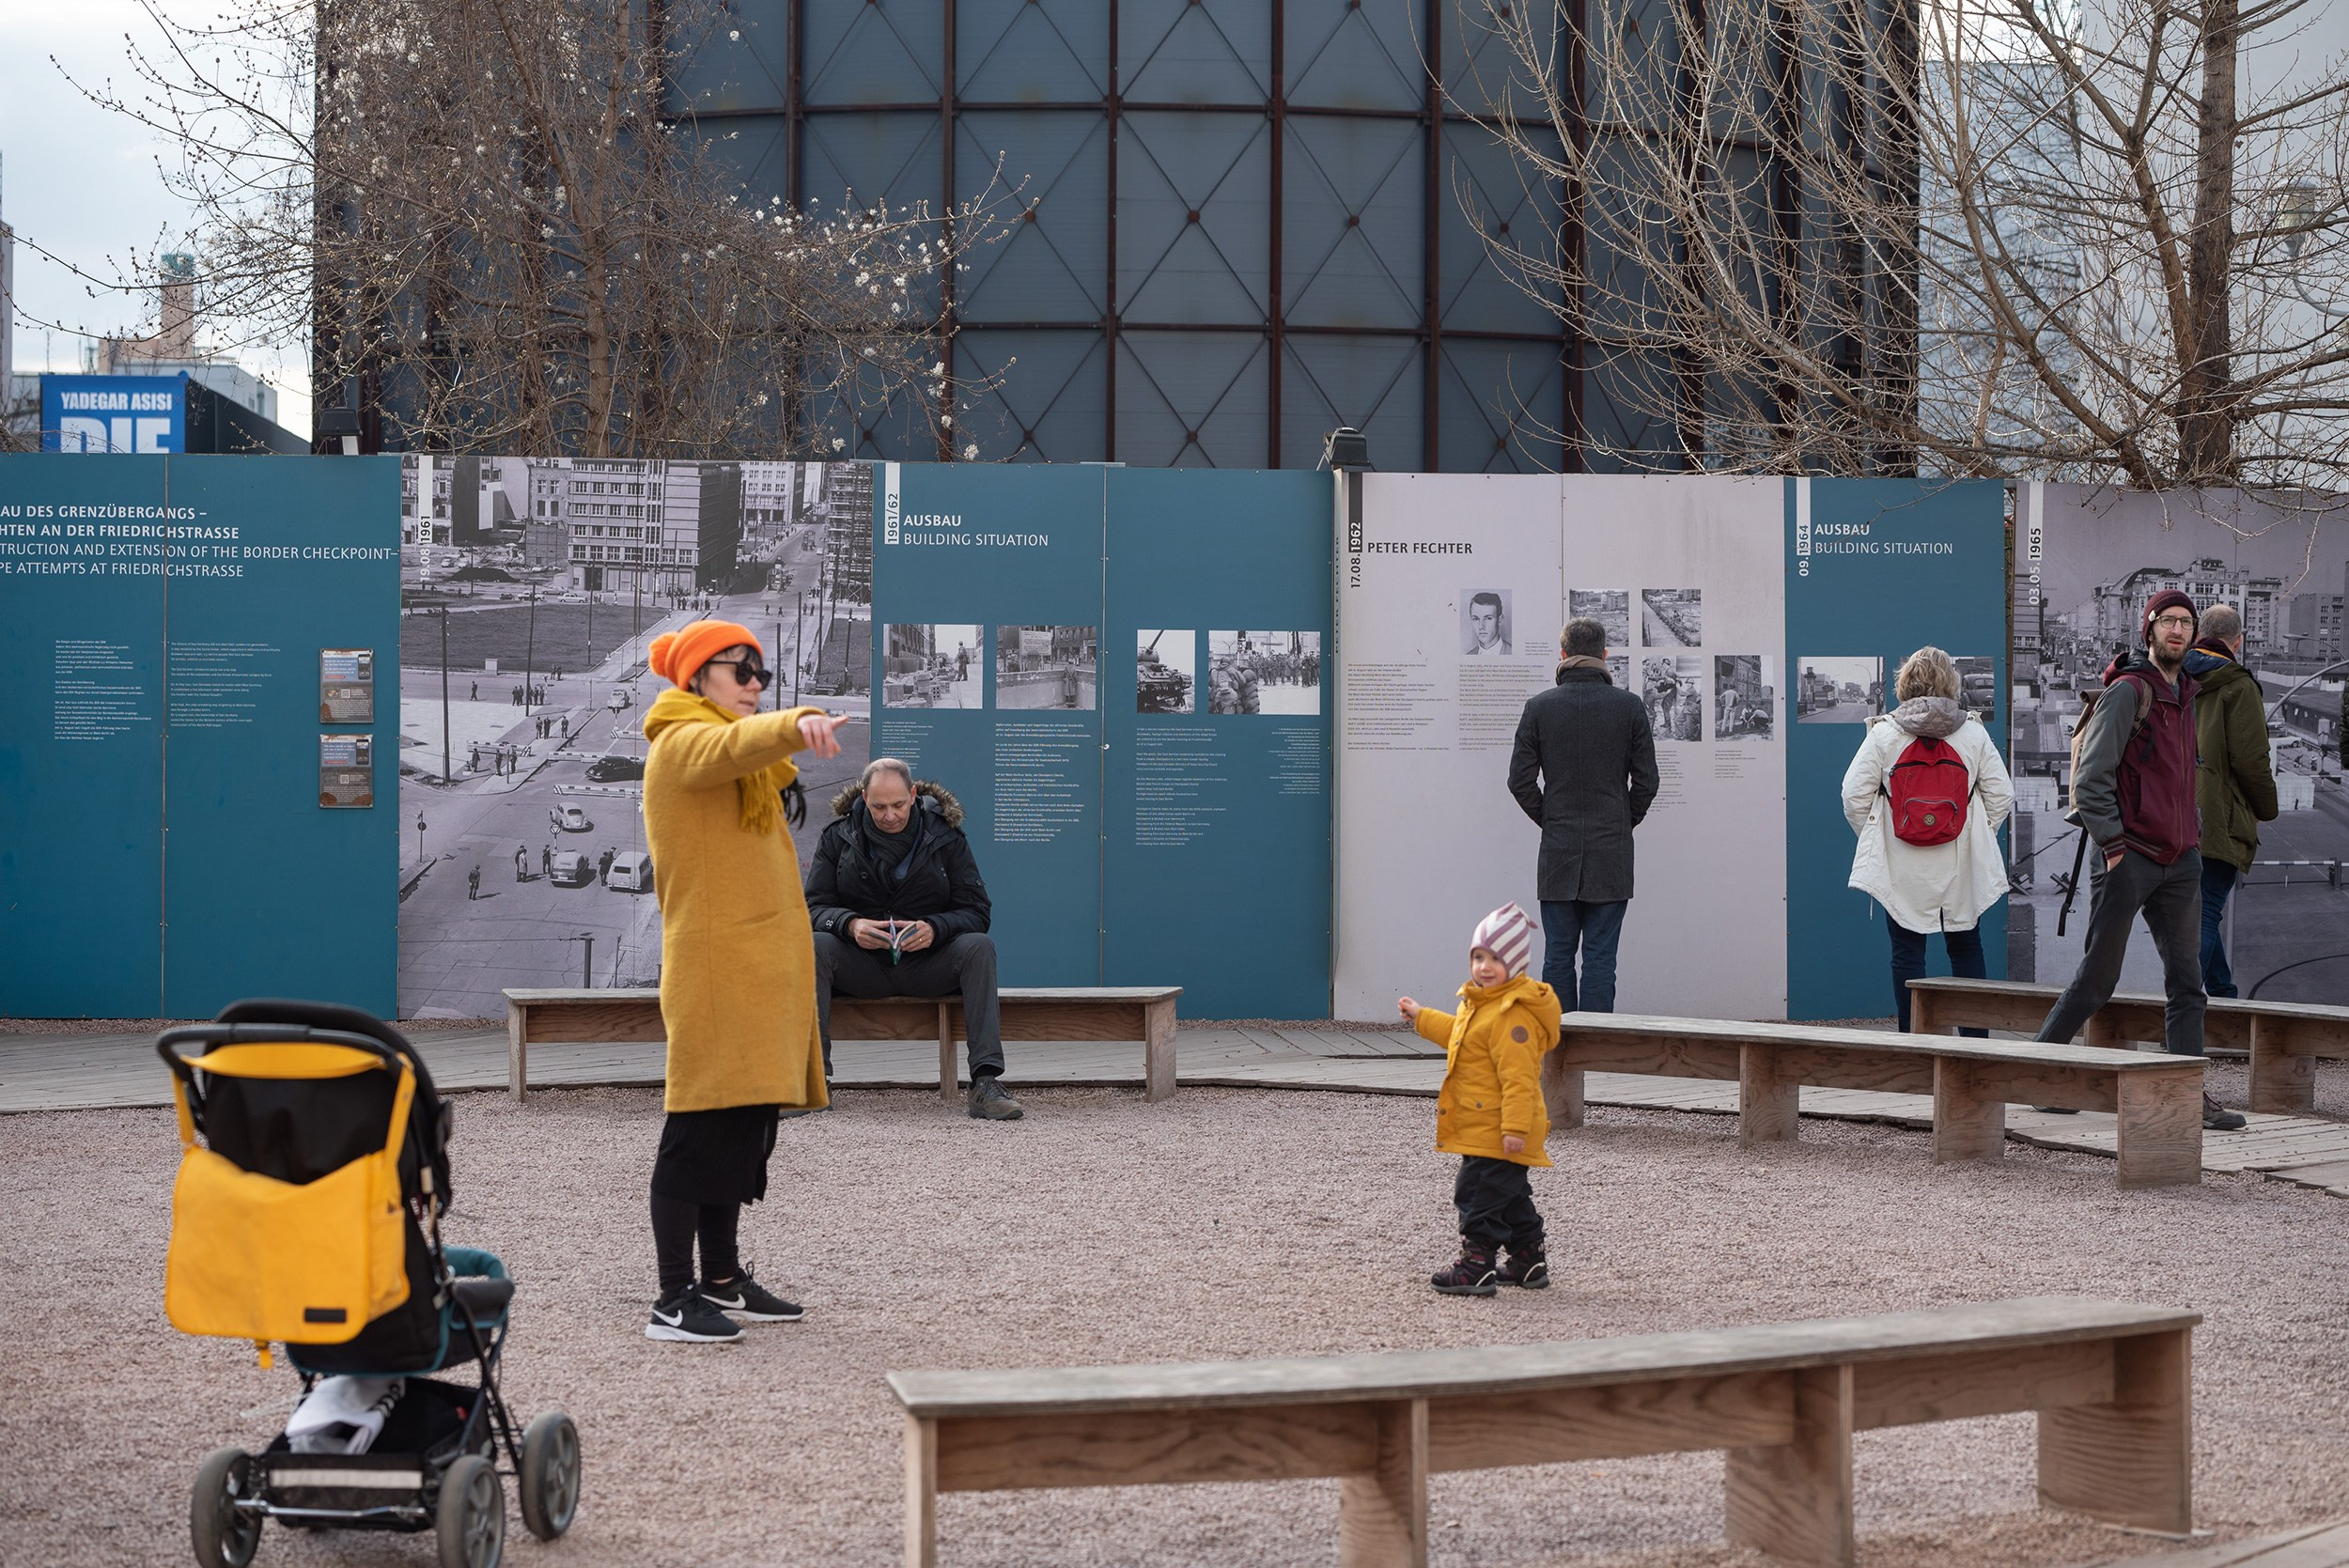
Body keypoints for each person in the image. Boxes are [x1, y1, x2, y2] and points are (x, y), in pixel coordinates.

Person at [640, 618, 844, 1343]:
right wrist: (799, 721)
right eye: (740, 669)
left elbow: (743, 751)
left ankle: (720, 1278)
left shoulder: (748, 772)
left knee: (743, 1128)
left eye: (762, 672)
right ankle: (671, 1299)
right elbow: (728, 743)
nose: (756, 683)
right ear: (697, 678)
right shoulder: (681, 744)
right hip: (717, 971)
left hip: (757, 970)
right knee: (699, 1126)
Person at [2033, 591, 2246, 1130]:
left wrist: (2192, 838)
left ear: (2194, 635)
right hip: (2130, 859)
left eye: (2186, 623)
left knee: (2187, 985)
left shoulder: (2188, 695)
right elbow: (2091, 779)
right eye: (2168, 621)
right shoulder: (2130, 691)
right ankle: (2036, 1073)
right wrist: (2113, 845)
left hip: (2182, 860)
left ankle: (2184, 1098)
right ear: (2148, 629)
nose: (2178, 629)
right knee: (2096, 980)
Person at [805, 759, 1022, 1121]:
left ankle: (985, 1083)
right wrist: (851, 925)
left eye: (898, 805)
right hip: (862, 967)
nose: (889, 816)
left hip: (928, 965)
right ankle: (811, 1083)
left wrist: (935, 928)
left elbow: (977, 911)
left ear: (913, 795)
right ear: (864, 798)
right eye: (879, 807)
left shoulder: (946, 837)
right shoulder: (837, 836)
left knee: (979, 948)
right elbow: (812, 907)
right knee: (814, 944)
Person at [1839, 647, 2014, 1032]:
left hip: (1902, 864)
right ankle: (1973, 1046)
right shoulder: (1972, 732)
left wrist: (1880, 836)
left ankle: (1914, 1042)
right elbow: (2001, 796)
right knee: (1967, 947)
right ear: (1952, 683)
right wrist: (1977, 835)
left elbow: (1853, 796)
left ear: (1905, 684)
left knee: (1907, 953)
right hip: (1960, 863)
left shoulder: (1885, 733)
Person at [1397, 903, 1561, 1296]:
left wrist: (1515, 1129)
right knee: (1510, 1194)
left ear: (1517, 964)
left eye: (1495, 959)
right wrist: (1422, 1017)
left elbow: (1521, 1080)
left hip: (1499, 1128)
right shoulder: (1483, 1005)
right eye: (1479, 957)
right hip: (1485, 1124)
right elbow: (1460, 1035)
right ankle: (1528, 1259)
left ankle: (1476, 1265)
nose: (1485, 966)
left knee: (1476, 1194)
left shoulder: (1512, 1017)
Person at [1508, 617, 1659, 1011]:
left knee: (1557, 956)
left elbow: (1519, 781)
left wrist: (1551, 818)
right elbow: (1647, 782)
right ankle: (1595, 1048)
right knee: (1600, 959)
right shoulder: (1629, 707)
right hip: (1612, 850)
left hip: (1558, 850)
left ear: (1563, 654)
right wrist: (1623, 821)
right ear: (1604, 655)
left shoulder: (1539, 708)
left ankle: (1557, 1053)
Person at [2184, 604, 2278, 1000]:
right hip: (2216, 816)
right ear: (2238, 641)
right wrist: (2266, 807)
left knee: (2199, 911)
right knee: (2205, 914)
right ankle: (2181, 1009)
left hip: (2173, 812)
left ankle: (2223, 993)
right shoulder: (2238, 685)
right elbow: (2251, 759)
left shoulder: (2173, 673)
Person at [1465, 592, 1510, 656]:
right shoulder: (1468, 656)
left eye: (1488, 618)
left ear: (1500, 620)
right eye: (1476, 619)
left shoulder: (1513, 652)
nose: (1481, 626)